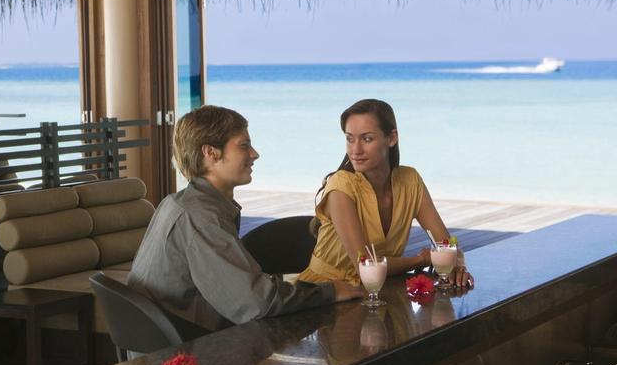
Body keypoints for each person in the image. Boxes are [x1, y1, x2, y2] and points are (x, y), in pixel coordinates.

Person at [129, 105, 364, 332]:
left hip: (174, 334)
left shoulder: (180, 202)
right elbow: (255, 304)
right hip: (187, 348)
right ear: (210, 153)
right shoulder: (200, 217)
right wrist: (330, 292)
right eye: (244, 145)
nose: (254, 154)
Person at [298, 99, 473, 289]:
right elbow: (365, 266)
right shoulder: (341, 186)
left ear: (391, 138)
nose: (355, 150)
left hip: (379, 290)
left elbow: (446, 243)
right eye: (350, 139)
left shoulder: (410, 181)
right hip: (321, 292)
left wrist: (459, 266)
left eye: (367, 139)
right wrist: (420, 260)